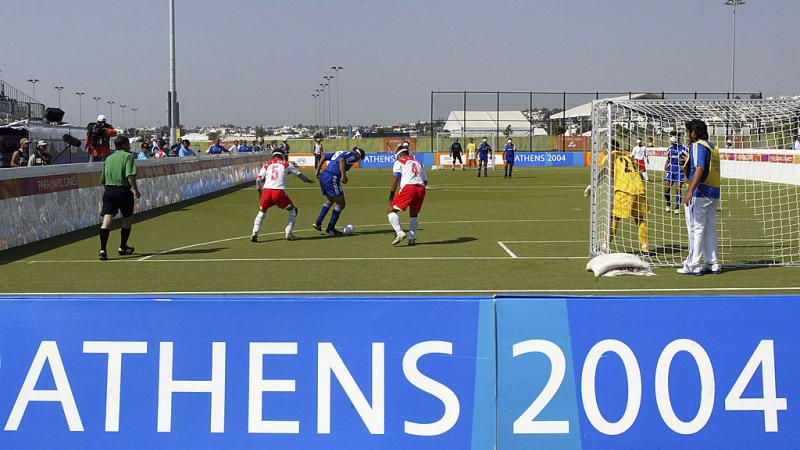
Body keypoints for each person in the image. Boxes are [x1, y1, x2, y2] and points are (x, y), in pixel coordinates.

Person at [679, 119, 721, 275]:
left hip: (700, 193)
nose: (687, 135)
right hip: (713, 192)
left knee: (695, 229)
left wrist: (690, 190)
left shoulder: (697, 145)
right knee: (709, 229)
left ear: (694, 133)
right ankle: (713, 263)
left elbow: (700, 168)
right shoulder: (712, 146)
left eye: (688, 132)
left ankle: (692, 264)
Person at [251, 150, 314, 242]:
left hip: (266, 191)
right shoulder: (286, 164)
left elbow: (258, 180)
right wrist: (308, 181)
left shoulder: (267, 164)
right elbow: (300, 175)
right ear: (282, 156)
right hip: (278, 192)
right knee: (293, 210)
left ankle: (255, 232)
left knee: (262, 212)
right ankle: (289, 233)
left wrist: (260, 193)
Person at [601, 139, 649, 256]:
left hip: (624, 190)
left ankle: (605, 245)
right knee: (639, 219)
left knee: (615, 217)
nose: (603, 151)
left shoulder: (611, 156)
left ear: (608, 148)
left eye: (604, 148)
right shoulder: (628, 156)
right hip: (639, 189)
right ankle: (645, 248)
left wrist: (593, 184)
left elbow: (604, 172)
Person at [98, 135, 141, 261]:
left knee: (107, 219)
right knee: (127, 218)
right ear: (123, 145)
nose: (129, 146)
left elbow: (103, 179)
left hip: (109, 190)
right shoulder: (128, 157)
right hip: (123, 191)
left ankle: (102, 249)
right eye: (128, 144)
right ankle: (122, 247)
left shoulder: (108, 158)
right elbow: (130, 175)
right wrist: (135, 189)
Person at [313, 146, 366, 236]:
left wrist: (318, 171)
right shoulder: (354, 155)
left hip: (324, 175)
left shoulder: (340, 152)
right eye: (359, 159)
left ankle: (318, 222)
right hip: (332, 177)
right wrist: (343, 175)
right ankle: (330, 228)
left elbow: (324, 156)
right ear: (359, 156)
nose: (357, 161)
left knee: (330, 200)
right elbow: (342, 160)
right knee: (341, 204)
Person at [387, 144, 428, 246]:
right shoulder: (419, 163)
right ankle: (411, 237)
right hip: (421, 189)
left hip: (409, 188)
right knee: (413, 214)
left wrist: (392, 192)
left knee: (390, 210)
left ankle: (400, 233)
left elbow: (396, 177)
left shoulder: (399, 162)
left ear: (399, 154)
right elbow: (425, 180)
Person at [662, 136, 687, 214]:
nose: (672, 144)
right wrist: (666, 164)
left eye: (673, 142)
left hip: (680, 171)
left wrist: (684, 161)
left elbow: (688, 158)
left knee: (678, 188)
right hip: (671, 170)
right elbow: (669, 158)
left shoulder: (683, 148)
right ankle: (668, 202)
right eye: (672, 143)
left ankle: (677, 207)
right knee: (666, 189)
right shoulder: (670, 149)